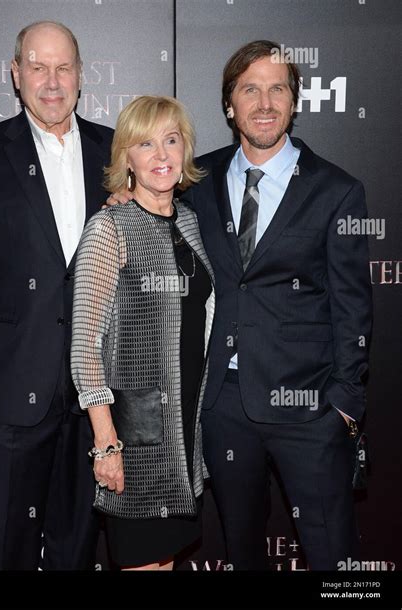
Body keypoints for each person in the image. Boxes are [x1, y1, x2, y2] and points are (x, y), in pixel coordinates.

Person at [181, 40, 373, 569]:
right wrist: (123, 194)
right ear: (229, 105)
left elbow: (353, 306)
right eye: (250, 89)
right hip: (222, 404)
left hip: (309, 406)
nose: (264, 103)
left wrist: (343, 405)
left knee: (333, 555)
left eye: (277, 89)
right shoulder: (195, 180)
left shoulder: (337, 191)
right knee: (239, 552)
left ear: (294, 102)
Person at [0, 21, 113, 569]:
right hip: (9, 393)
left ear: (81, 76)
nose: (52, 81)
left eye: (64, 67)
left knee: (76, 547)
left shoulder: (115, 153)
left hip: (93, 399)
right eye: (38, 67)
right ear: (16, 75)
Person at [71, 95, 214, 570]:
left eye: (171, 141)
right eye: (145, 143)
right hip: (135, 440)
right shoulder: (109, 228)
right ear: (125, 158)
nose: (161, 155)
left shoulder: (191, 223)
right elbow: (85, 349)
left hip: (183, 438)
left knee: (165, 562)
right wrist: (106, 443)